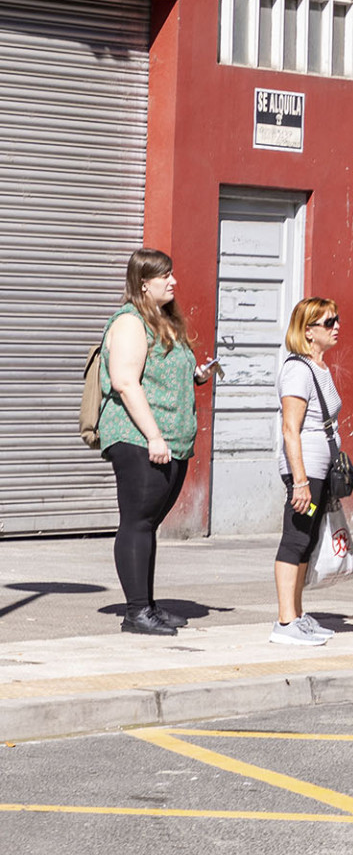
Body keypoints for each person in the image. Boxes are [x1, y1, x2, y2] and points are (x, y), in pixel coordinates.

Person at [98, 249, 215, 636]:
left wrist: (196, 375)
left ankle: (146, 605)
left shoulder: (163, 320)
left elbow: (158, 372)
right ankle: (136, 613)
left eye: (172, 273)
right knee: (137, 521)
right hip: (138, 438)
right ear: (144, 283)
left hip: (169, 439)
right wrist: (153, 436)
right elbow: (125, 382)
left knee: (148, 524)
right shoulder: (130, 322)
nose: (173, 281)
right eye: (165, 276)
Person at [271, 297, 344, 647]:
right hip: (306, 470)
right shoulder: (298, 369)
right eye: (329, 322)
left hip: (319, 469)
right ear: (308, 331)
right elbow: (290, 428)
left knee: (308, 540)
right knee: (296, 538)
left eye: (336, 320)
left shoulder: (319, 367)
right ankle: (285, 621)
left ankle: (297, 615)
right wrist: (299, 482)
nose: (336, 327)